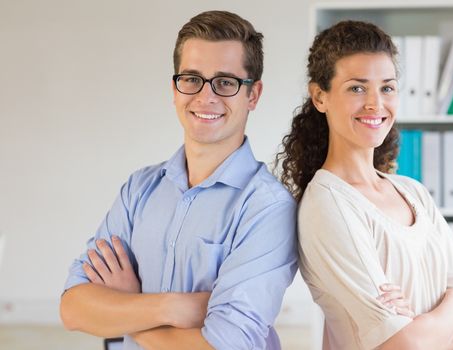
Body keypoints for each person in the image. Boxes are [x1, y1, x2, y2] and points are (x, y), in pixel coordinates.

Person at [60, 10, 297, 350]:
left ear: (253, 95)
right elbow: (73, 309)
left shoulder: (267, 208)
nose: (206, 96)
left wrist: (129, 309)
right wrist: (177, 307)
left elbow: (227, 345)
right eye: (191, 78)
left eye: (226, 82)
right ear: (175, 88)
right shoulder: (139, 189)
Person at [276, 20, 453, 350]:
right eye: (357, 88)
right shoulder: (328, 204)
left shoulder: (412, 192)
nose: (376, 104)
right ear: (320, 96)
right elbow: (406, 344)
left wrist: (428, 323)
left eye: (387, 87)